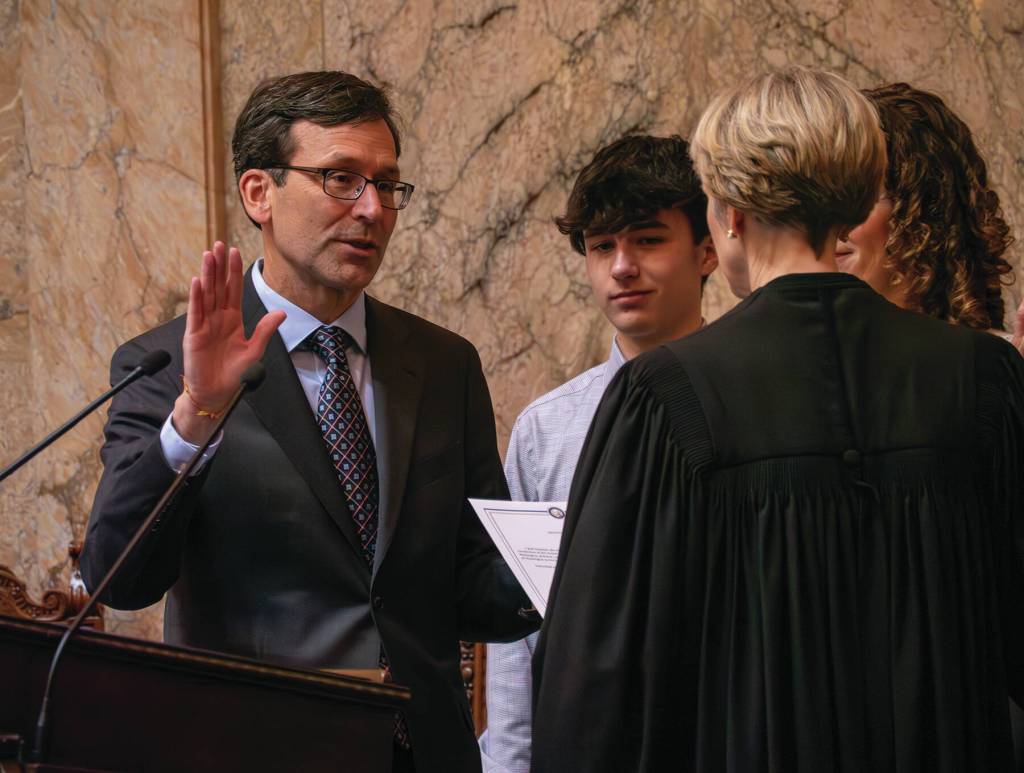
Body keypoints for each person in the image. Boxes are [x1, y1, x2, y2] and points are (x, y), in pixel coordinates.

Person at [532, 67, 1024, 772]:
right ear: (857, 197)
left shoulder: (664, 396)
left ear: (730, 213)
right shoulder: (982, 375)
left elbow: (597, 684)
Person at [81, 71, 537, 773]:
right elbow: (120, 578)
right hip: (256, 749)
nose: (373, 209)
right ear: (258, 192)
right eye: (341, 179)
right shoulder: (166, 365)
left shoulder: (444, 364)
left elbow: (471, 585)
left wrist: (570, 558)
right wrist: (196, 416)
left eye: (387, 185)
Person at [477, 134, 717, 773]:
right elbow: (520, 630)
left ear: (708, 250)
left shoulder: (752, 404)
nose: (622, 267)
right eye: (602, 246)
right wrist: (510, 764)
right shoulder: (546, 430)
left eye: (648, 239)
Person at [836, 82, 1023, 352]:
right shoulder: (802, 356)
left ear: (925, 214)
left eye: (857, 195)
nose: (828, 219)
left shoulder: (999, 361)